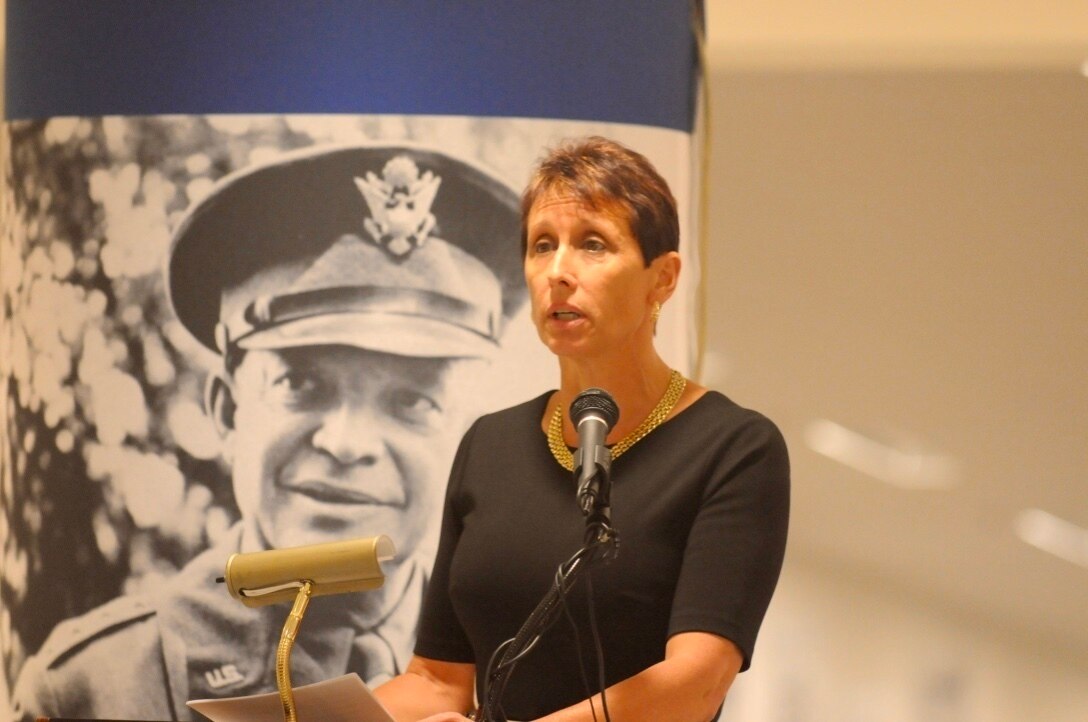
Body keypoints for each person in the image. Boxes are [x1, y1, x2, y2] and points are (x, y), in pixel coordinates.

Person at [10, 142, 526, 721]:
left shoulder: (529, 672)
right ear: (228, 411)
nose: (347, 442)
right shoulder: (96, 690)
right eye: (302, 385)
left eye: (412, 401)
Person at [373, 136, 791, 722]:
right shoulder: (489, 446)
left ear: (663, 279)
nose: (558, 272)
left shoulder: (733, 448)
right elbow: (437, 682)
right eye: (542, 246)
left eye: (593, 244)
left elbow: (695, 684)